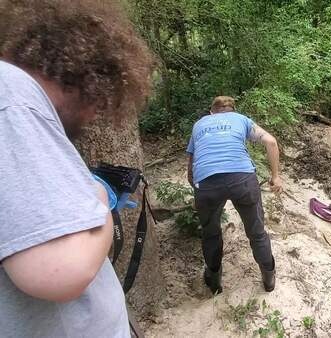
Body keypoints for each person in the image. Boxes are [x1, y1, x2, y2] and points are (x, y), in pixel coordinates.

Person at [0, 0, 154, 337]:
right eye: (99, 103)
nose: (94, 116)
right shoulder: (12, 93)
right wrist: (101, 196)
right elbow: (61, 270)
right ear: (85, 76)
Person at [187, 96, 282, 294]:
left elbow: (191, 166)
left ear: (211, 112)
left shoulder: (199, 124)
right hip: (243, 180)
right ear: (232, 111)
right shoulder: (241, 119)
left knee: (211, 233)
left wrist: (199, 191)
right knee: (257, 231)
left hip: (207, 183)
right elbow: (271, 142)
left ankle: (214, 281)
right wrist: (275, 177)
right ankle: (268, 279)